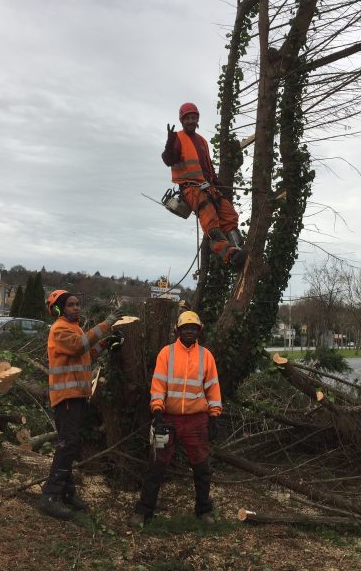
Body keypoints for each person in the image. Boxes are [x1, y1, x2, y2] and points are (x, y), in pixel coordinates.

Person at [128, 310, 222, 526]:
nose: (189, 331)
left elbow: (213, 387)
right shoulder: (166, 353)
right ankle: (144, 511)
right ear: (177, 330)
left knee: (201, 467)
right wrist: (158, 412)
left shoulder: (205, 355)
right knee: (156, 466)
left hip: (197, 419)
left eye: (193, 328)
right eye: (185, 328)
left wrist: (214, 416)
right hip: (168, 419)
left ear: (199, 331)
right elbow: (158, 385)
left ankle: (203, 511)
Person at [36, 289, 123, 521]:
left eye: (77, 304)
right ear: (59, 309)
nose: (76, 308)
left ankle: (66, 492)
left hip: (76, 395)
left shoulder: (73, 328)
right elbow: (78, 346)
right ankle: (50, 495)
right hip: (66, 396)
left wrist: (105, 343)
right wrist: (107, 324)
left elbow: (85, 354)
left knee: (71, 445)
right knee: (67, 445)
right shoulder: (60, 329)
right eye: (71, 305)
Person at [163, 102, 247, 269]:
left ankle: (240, 249)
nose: (191, 121)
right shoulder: (178, 138)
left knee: (229, 215)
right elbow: (168, 160)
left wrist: (218, 185)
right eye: (187, 118)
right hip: (191, 189)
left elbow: (207, 167)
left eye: (193, 117)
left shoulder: (202, 141)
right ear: (182, 120)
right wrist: (169, 144)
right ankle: (231, 256)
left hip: (208, 187)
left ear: (197, 119)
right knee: (211, 225)